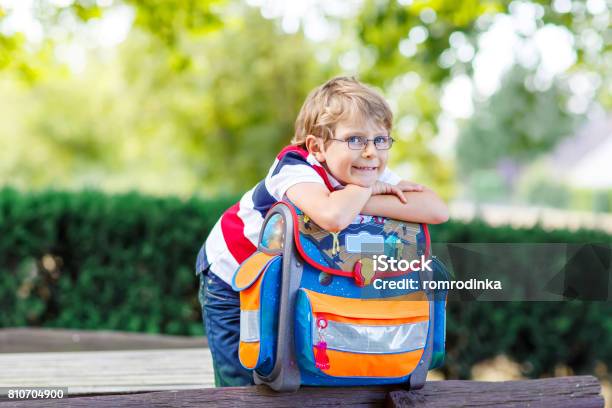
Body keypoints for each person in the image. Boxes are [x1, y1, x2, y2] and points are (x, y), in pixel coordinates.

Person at [195, 76, 449, 387]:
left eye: (381, 140)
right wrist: (365, 194)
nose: (371, 152)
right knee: (244, 376)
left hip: (290, 273)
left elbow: (436, 210)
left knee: (301, 360)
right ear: (318, 146)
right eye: (355, 139)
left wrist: (360, 197)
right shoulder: (293, 168)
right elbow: (333, 215)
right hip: (234, 274)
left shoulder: (363, 172)